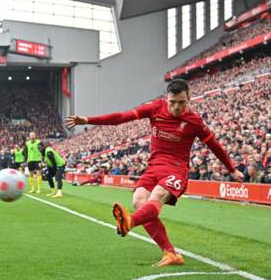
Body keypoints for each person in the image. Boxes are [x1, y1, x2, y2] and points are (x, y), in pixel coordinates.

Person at [65, 79, 243, 267]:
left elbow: (214, 145)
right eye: (172, 102)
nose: (176, 107)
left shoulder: (195, 122)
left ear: (189, 97)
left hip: (176, 169)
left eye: (182, 102)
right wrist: (88, 120)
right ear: (167, 98)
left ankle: (130, 223)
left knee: (157, 196)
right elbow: (121, 117)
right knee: (139, 201)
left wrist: (231, 169)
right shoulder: (155, 108)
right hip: (154, 167)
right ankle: (170, 253)